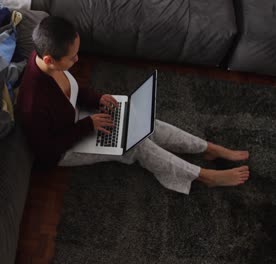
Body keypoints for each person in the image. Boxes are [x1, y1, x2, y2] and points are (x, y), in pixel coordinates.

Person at [16, 16, 250, 194]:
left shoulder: (46, 61)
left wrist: (96, 99)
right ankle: (203, 176)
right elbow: (46, 151)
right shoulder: (33, 104)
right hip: (63, 148)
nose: (77, 60)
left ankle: (206, 148)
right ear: (49, 60)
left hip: (75, 119)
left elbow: (72, 91)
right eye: (72, 57)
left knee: (139, 120)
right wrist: (88, 125)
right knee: (135, 145)